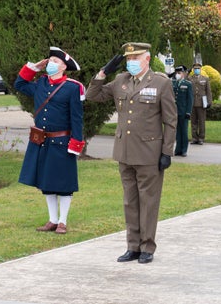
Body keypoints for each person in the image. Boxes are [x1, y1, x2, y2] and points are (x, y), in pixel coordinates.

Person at [85, 42, 177, 264]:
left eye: (135, 58)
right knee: (130, 201)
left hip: (149, 152)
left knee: (149, 201)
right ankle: (132, 246)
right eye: (128, 59)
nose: (131, 63)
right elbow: (92, 95)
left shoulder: (160, 83)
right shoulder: (121, 81)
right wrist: (103, 72)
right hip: (124, 151)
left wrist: (167, 152)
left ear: (147, 59)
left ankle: (147, 247)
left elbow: (170, 120)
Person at [14, 46, 85, 235]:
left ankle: (63, 221)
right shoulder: (41, 84)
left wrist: (76, 143)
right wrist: (33, 68)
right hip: (42, 141)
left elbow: (77, 118)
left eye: (55, 61)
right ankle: (52, 220)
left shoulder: (72, 87)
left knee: (64, 183)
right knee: (47, 182)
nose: (51, 63)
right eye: (50, 60)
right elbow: (19, 84)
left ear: (64, 66)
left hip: (62, 141)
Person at [172, 65, 193, 157]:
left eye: (179, 73)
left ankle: (184, 150)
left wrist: (188, 112)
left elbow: (190, 99)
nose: (177, 75)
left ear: (183, 74)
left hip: (184, 112)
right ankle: (178, 149)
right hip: (175, 112)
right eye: (176, 73)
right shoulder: (174, 83)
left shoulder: (188, 84)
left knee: (184, 132)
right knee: (177, 132)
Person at [189, 62, 212, 145]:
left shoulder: (205, 79)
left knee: (201, 121)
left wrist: (209, 102)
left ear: (200, 69)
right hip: (192, 103)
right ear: (193, 70)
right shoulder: (190, 79)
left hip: (202, 103)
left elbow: (208, 91)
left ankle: (201, 138)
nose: (197, 70)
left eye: (198, 69)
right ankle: (194, 138)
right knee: (193, 122)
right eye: (195, 69)